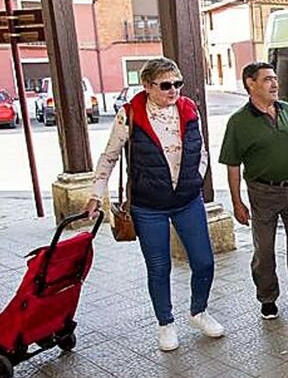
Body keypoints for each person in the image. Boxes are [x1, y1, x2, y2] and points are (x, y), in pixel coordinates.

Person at [85, 58, 224, 351]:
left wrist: (195, 179)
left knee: (204, 262)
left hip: (187, 200)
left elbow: (201, 150)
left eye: (177, 83)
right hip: (148, 206)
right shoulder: (130, 114)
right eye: (165, 85)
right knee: (159, 268)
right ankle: (166, 323)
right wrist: (97, 194)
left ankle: (199, 311)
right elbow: (109, 156)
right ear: (147, 86)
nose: (173, 90)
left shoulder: (188, 109)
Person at [219, 61, 288, 320]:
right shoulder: (238, 122)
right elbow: (232, 165)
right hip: (263, 193)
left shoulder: (287, 110)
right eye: (267, 80)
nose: (275, 84)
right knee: (264, 249)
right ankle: (267, 297)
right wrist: (237, 202)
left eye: (275, 79)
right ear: (251, 83)